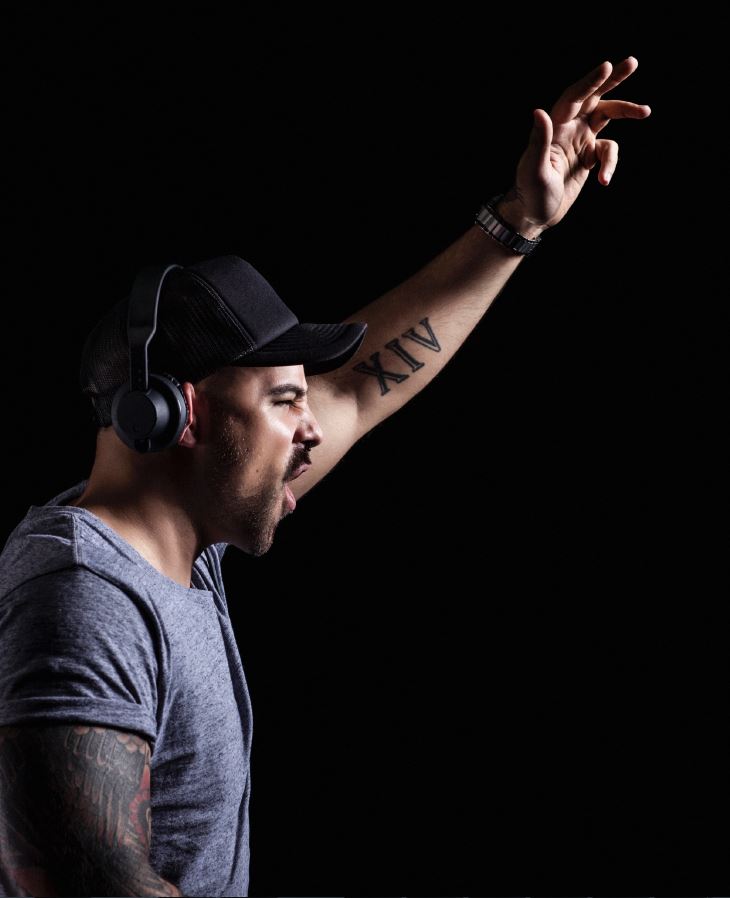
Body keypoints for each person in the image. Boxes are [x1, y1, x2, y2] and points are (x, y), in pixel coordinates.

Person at [0, 57, 650, 897]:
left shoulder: (178, 551)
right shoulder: (86, 600)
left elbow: (358, 389)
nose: (312, 425)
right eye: (283, 401)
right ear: (178, 415)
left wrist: (520, 220)